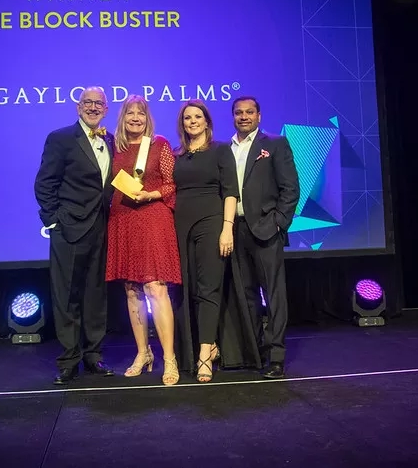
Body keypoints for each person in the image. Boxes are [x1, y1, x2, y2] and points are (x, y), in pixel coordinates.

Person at [34, 86, 116, 385]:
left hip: (102, 228)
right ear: (78, 107)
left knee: (95, 295)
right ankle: (69, 359)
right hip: (69, 229)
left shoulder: (109, 139)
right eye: (88, 102)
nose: (93, 107)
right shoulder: (61, 138)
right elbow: (45, 183)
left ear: (106, 109)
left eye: (99, 103)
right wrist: (53, 220)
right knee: (67, 295)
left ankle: (94, 355)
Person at [105, 95, 181, 386]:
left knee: (155, 287)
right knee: (132, 288)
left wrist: (151, 194)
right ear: (122, 118)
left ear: (147, 117)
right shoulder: (117, 147)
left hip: (152, 217)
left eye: (140, 113)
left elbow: (172, 181)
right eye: (129, 113)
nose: (135, 118)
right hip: (123, 218)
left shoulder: (158, 144)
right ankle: (143, 353)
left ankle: (169, 358)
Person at [229, 96, 299, 379]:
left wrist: (278, 223)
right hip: (236, 231)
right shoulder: (226, 148)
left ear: (259, 115)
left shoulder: (275, 144)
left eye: (249, 112)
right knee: (245, 296)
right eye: (238, 112)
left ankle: (277, 356)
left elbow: (290, 189)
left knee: (274, 296)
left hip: (266, 230)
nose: (244, 117)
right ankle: (256, 352)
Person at [171, 99, 239, 383]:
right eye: (187, 118)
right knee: (186, 291)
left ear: (207, 121)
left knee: (208, 290)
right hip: (179, 227)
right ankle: (191, 352)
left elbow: (231, 192)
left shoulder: (221, 150)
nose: (192, 121)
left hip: (212, 224)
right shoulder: (177, 155)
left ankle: (205, 355)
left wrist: (227, 228)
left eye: (197, 117)